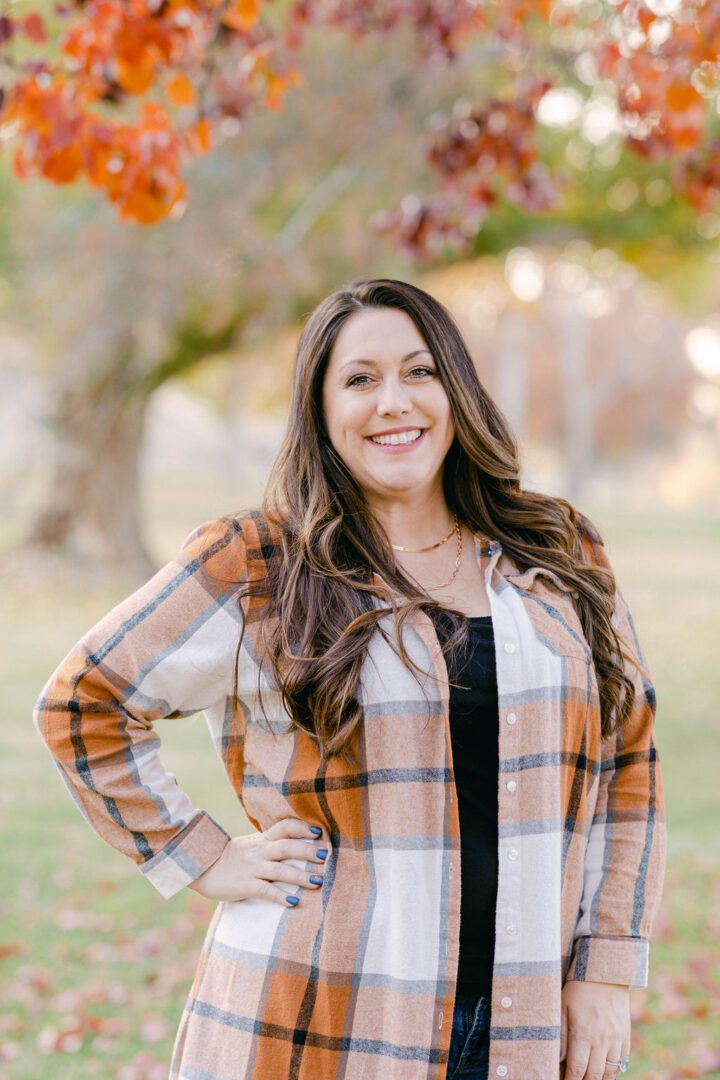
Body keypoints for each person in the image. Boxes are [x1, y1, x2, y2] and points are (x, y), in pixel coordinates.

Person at [33, 278, 667, 1080]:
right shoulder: (257, 563)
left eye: (419, 372)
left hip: (526, 1026)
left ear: (457, 390)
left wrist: (607, 967)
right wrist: (206, 857)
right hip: (314, 1014)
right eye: (360, 379)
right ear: (322, 411)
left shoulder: (559, 552)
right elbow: (82, 702)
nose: (393, 402)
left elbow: (629, 762)